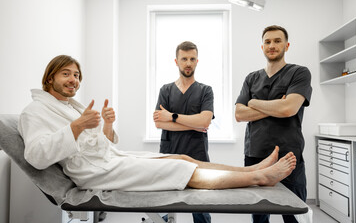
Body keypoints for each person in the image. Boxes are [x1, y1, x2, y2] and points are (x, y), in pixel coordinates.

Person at [18, 55, 297, 197]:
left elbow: (203, 122)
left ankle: (252, 168)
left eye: (77, 75)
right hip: (93, 172)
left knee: (182, 158)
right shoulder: (35, 111)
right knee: (180, 169)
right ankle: (259, 178)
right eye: (66, 74)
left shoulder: (71, 107)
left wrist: (106, 126)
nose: (74, 80)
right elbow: (36, 156)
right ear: (50, 77)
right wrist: (78, 126)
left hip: (109, 159)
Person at [235, 25, 312, 223]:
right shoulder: (251, 78)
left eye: (277, 41)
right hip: (255, 155)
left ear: (286, 45)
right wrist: (277, 104)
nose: (272, 45)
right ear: (262, 47)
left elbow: (288, 109)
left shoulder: (299, 73)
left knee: (294, 215)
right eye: (267, 42)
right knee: (259, 215)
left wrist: (253, 103)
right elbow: (239, 114)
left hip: (289, 156)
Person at [153, 41, 214, 223]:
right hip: (170, 154)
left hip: (197, 154)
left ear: (197, 61)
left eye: (192, 59)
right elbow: (158, 124)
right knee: (167, 204)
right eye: (184, 59)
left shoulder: (205, 91)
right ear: (176, 61)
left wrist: (171, 116)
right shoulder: (166, 90)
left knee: (201, 208)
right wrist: (195, 124)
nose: (188, 63)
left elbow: (205, 120)